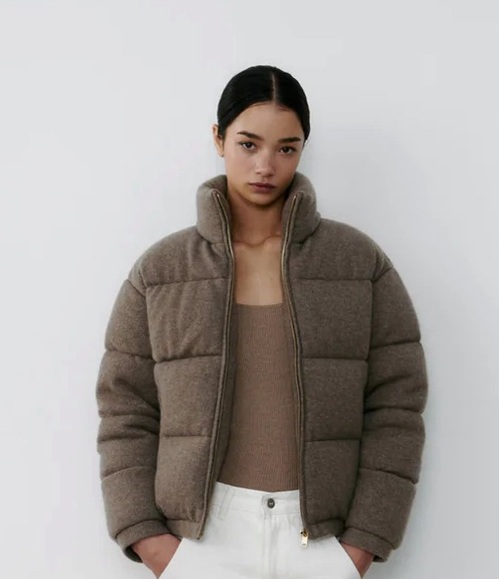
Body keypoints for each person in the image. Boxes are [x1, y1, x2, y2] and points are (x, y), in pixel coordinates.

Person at [95, 64, 428, 579]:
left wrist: (363, 543)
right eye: (248, 144)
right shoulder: (161, 272)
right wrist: (148, 538)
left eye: (286, 148)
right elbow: (124, 408)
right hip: (201, 540)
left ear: (303, 149)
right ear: (218, 138)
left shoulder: (359, 264)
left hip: (320, 541)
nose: (265, 166)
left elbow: (397, 406)